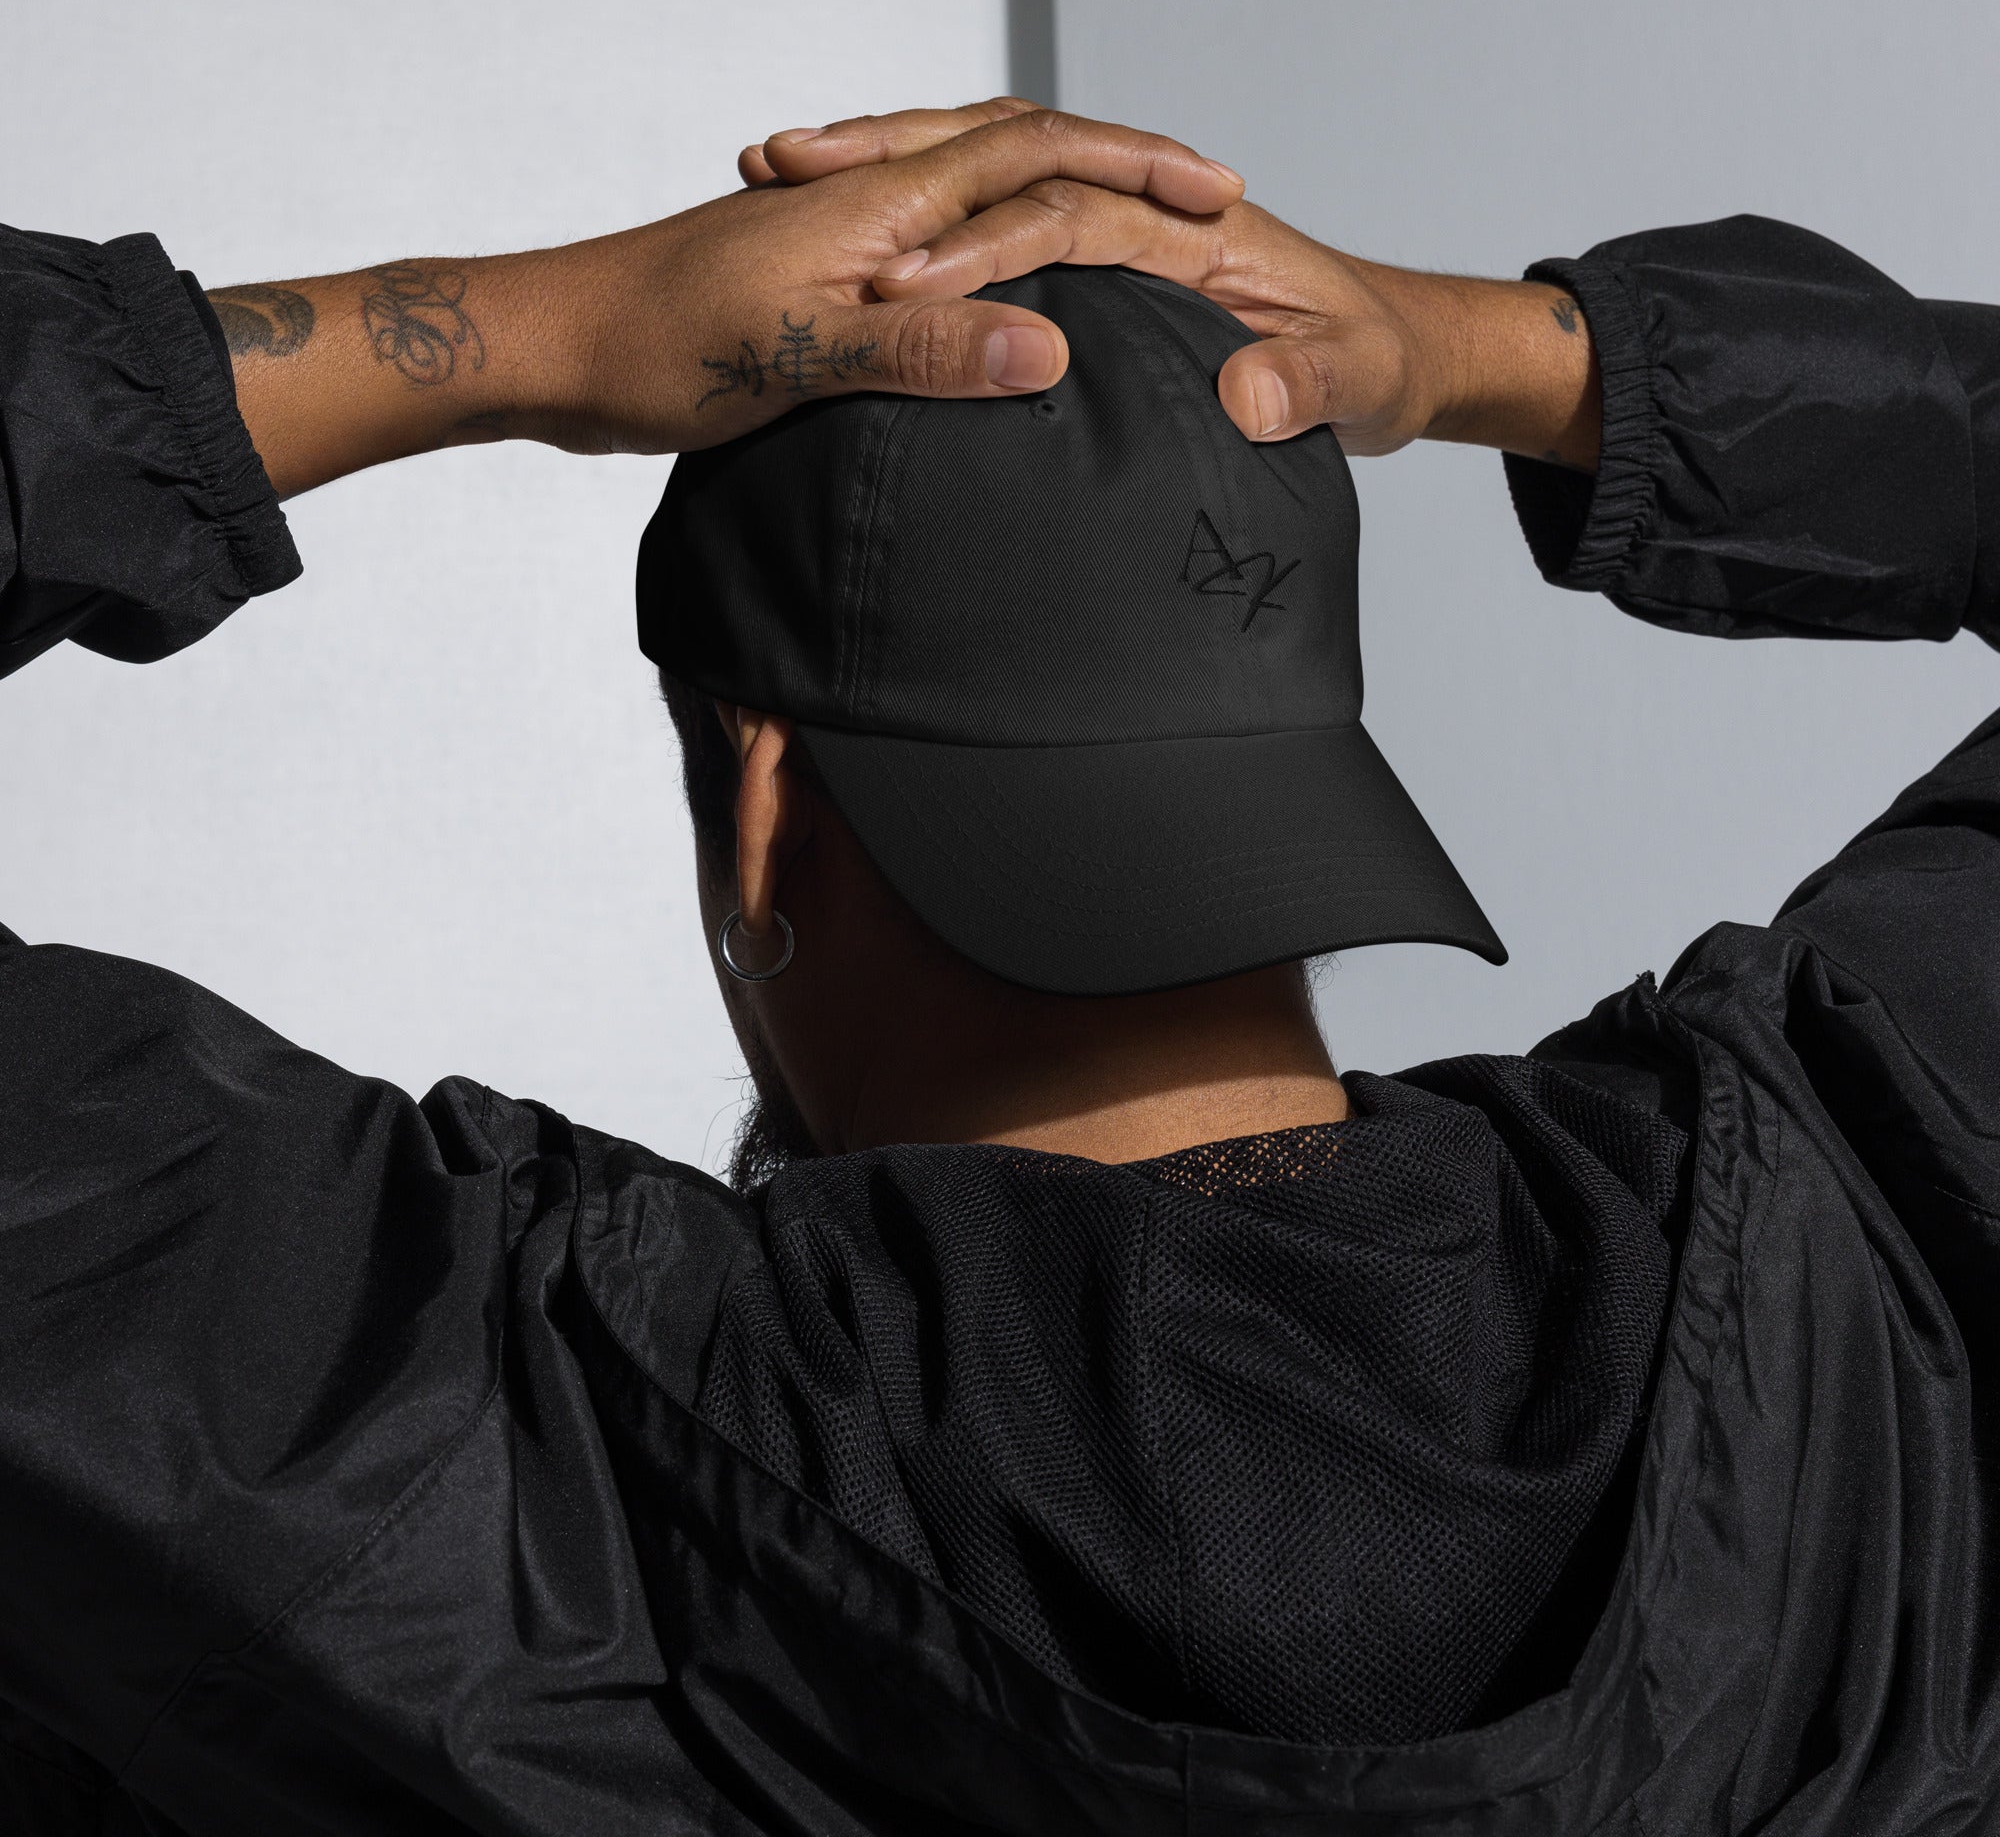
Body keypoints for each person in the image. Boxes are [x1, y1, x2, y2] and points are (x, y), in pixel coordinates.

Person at [0, 97, 1993, 1833]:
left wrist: (515, 338)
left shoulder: (423, 1439)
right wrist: (1481, 353)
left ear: (762, 805)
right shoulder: (1869, 1254)